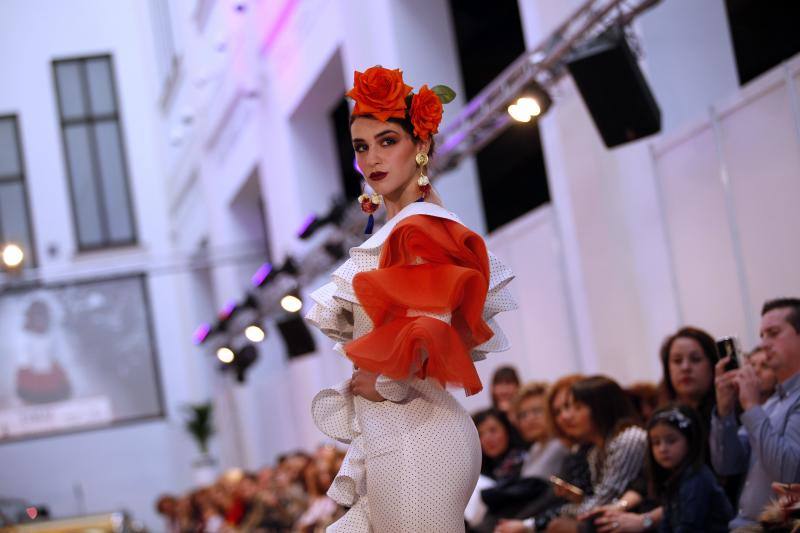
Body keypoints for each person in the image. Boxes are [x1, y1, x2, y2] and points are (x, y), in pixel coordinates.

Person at [306, 65, 517, 532]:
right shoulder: (406, 226)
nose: (372, 158)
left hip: (415, 437)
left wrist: (382, 382)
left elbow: (429, 330)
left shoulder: (420, 226)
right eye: (362, 146)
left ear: (420, 147)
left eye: (388, 141)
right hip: (400, 433)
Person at [711, 298, 800, 531]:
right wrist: (725, 411)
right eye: (762, 336)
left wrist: (750, 406)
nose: (764, 343)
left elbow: (787, 474)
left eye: (773, 333)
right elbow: (727, 464)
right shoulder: (772, 402)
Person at [636, 405, 732, 532]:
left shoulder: (697, 480)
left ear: (690, 441)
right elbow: (667, 522)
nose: (662, 449)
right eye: (656, 442)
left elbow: (689, 527)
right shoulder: (674, 477)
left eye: (671, 441)